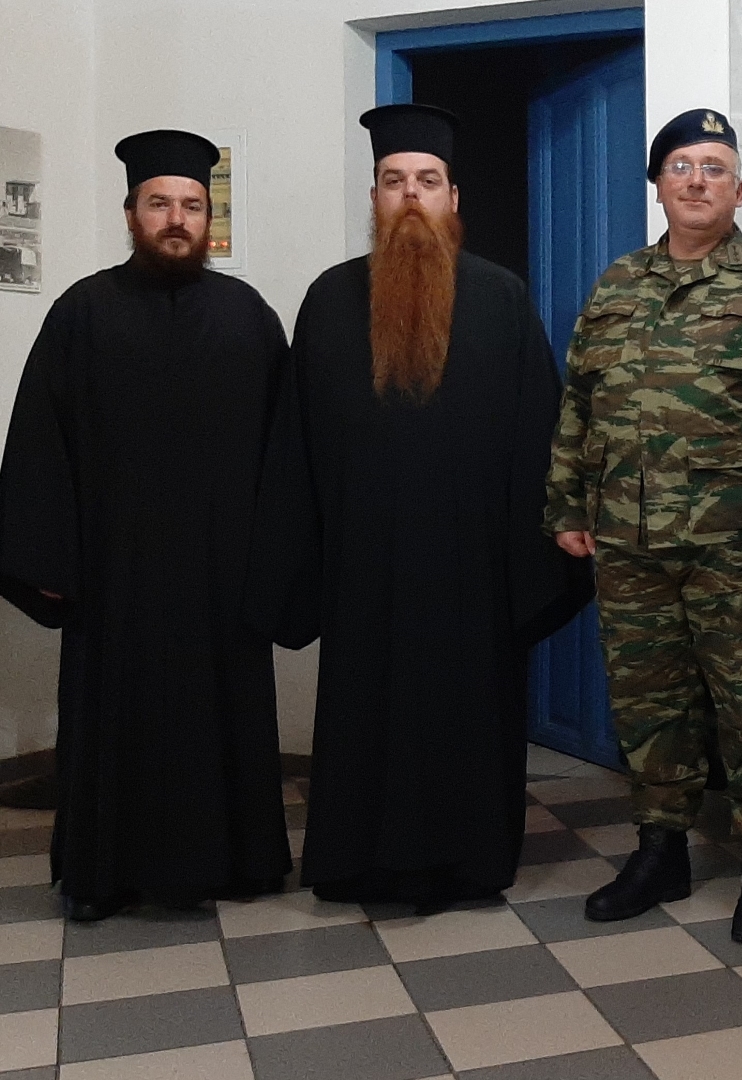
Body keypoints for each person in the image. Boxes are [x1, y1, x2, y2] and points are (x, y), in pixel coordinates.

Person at [249, 104, 591, 912]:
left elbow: (540, 439)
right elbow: (295, 446)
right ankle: (355, 861)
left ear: (453, 199)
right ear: (374, 196)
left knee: (467, 712)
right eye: (394, 180)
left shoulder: (502, 299)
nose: (411, 196)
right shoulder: (329, 299)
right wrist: (298, 556)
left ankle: (468, 863)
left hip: (472, 570)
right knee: (365, 713)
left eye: (427, 181)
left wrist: (543, 542)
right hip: (362, 567)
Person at [0, 130, 291, 920]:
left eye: (192, 205)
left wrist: (278, 559)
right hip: (114, 575)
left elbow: (285, 451)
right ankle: (105, 874)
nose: (176, 219)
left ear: (208, 220)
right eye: (160, 203)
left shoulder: (248, 317)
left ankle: (236, 861)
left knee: (219, 716)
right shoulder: (82, 313)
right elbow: (40, 444)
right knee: (115, 719)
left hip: (223, 575)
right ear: (130, 213)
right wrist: (49, 559)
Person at [546, 109, 742, 944]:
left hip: (736, 542)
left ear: (741, 188)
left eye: (714, 167)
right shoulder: (617, 283)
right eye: (682, 166)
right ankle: (660, 851)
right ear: (658, 185)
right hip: (629, 539)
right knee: (648, 702)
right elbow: (579, 404)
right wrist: (565, 504)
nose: (697, 181)